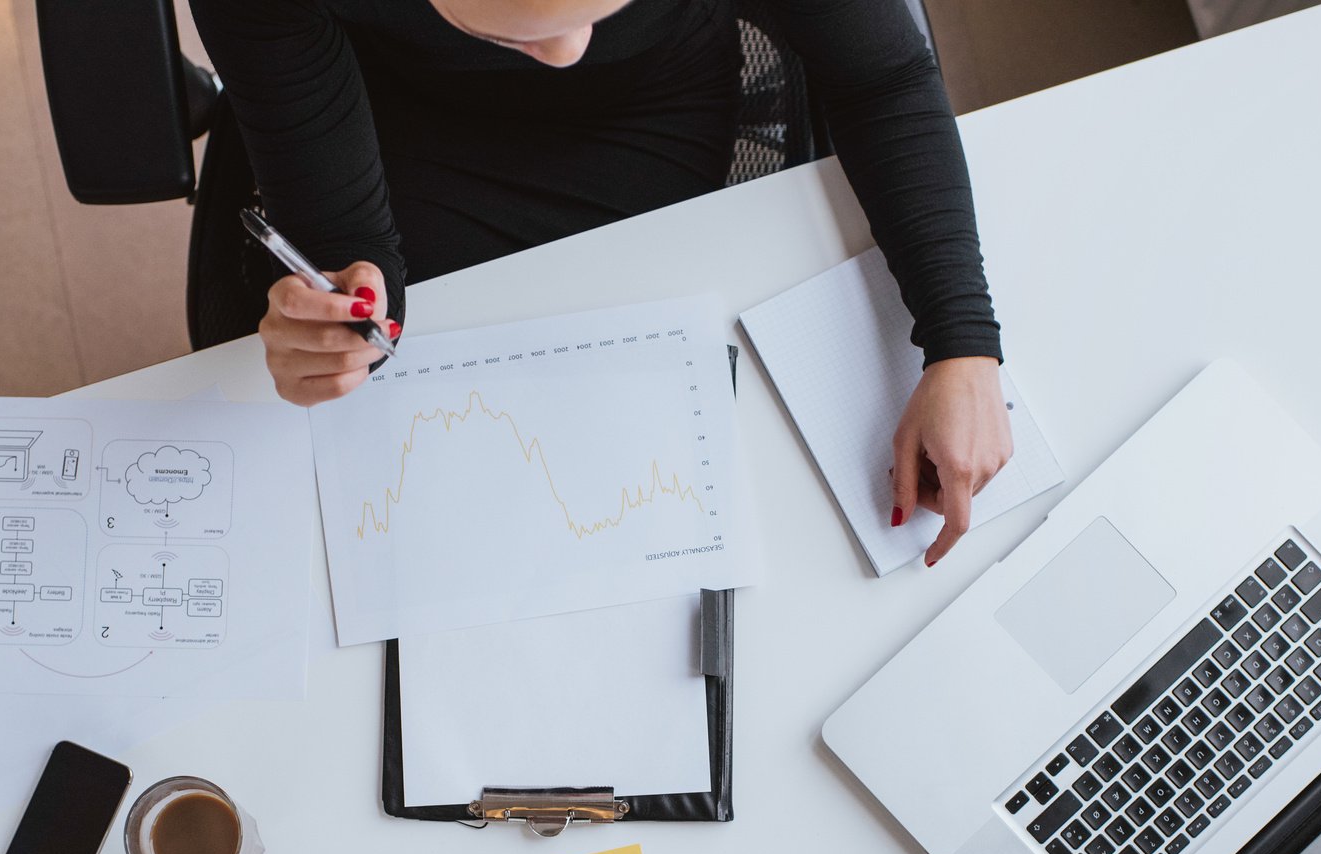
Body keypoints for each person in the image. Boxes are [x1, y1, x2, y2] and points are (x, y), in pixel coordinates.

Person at [191, 0, 1014, 563]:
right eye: (520, 27)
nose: (564, 51)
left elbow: (884, 80)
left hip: (655, 104)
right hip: (401, 112)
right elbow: (354, 245)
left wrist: (961, 344)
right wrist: (351, 311)